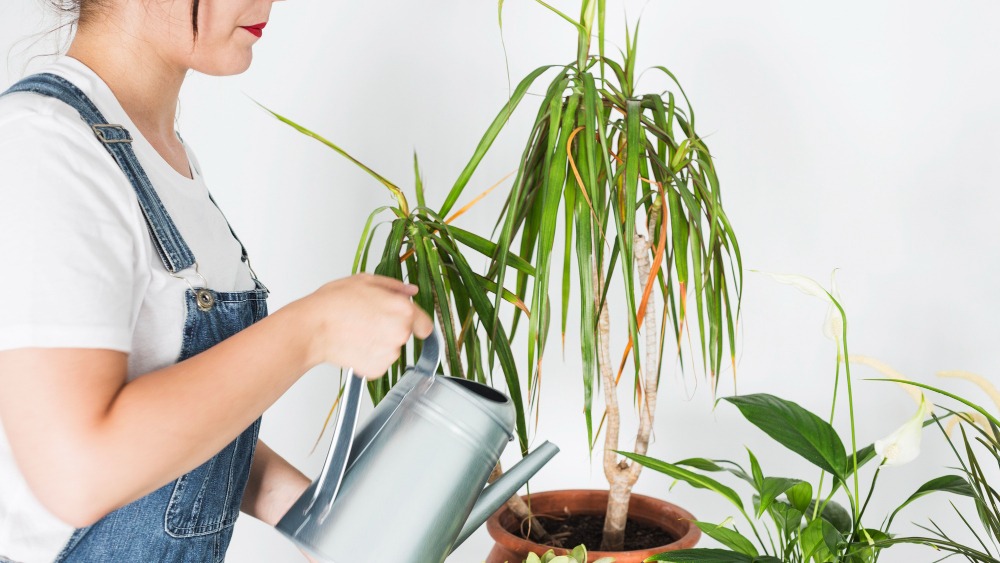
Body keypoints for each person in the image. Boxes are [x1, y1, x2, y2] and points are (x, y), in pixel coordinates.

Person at [0, 0, 433, 561]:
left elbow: (171, 412)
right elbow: (79, 471)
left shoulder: (158, 153)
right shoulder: (48, 147)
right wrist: (311, 329)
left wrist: (312, 515)